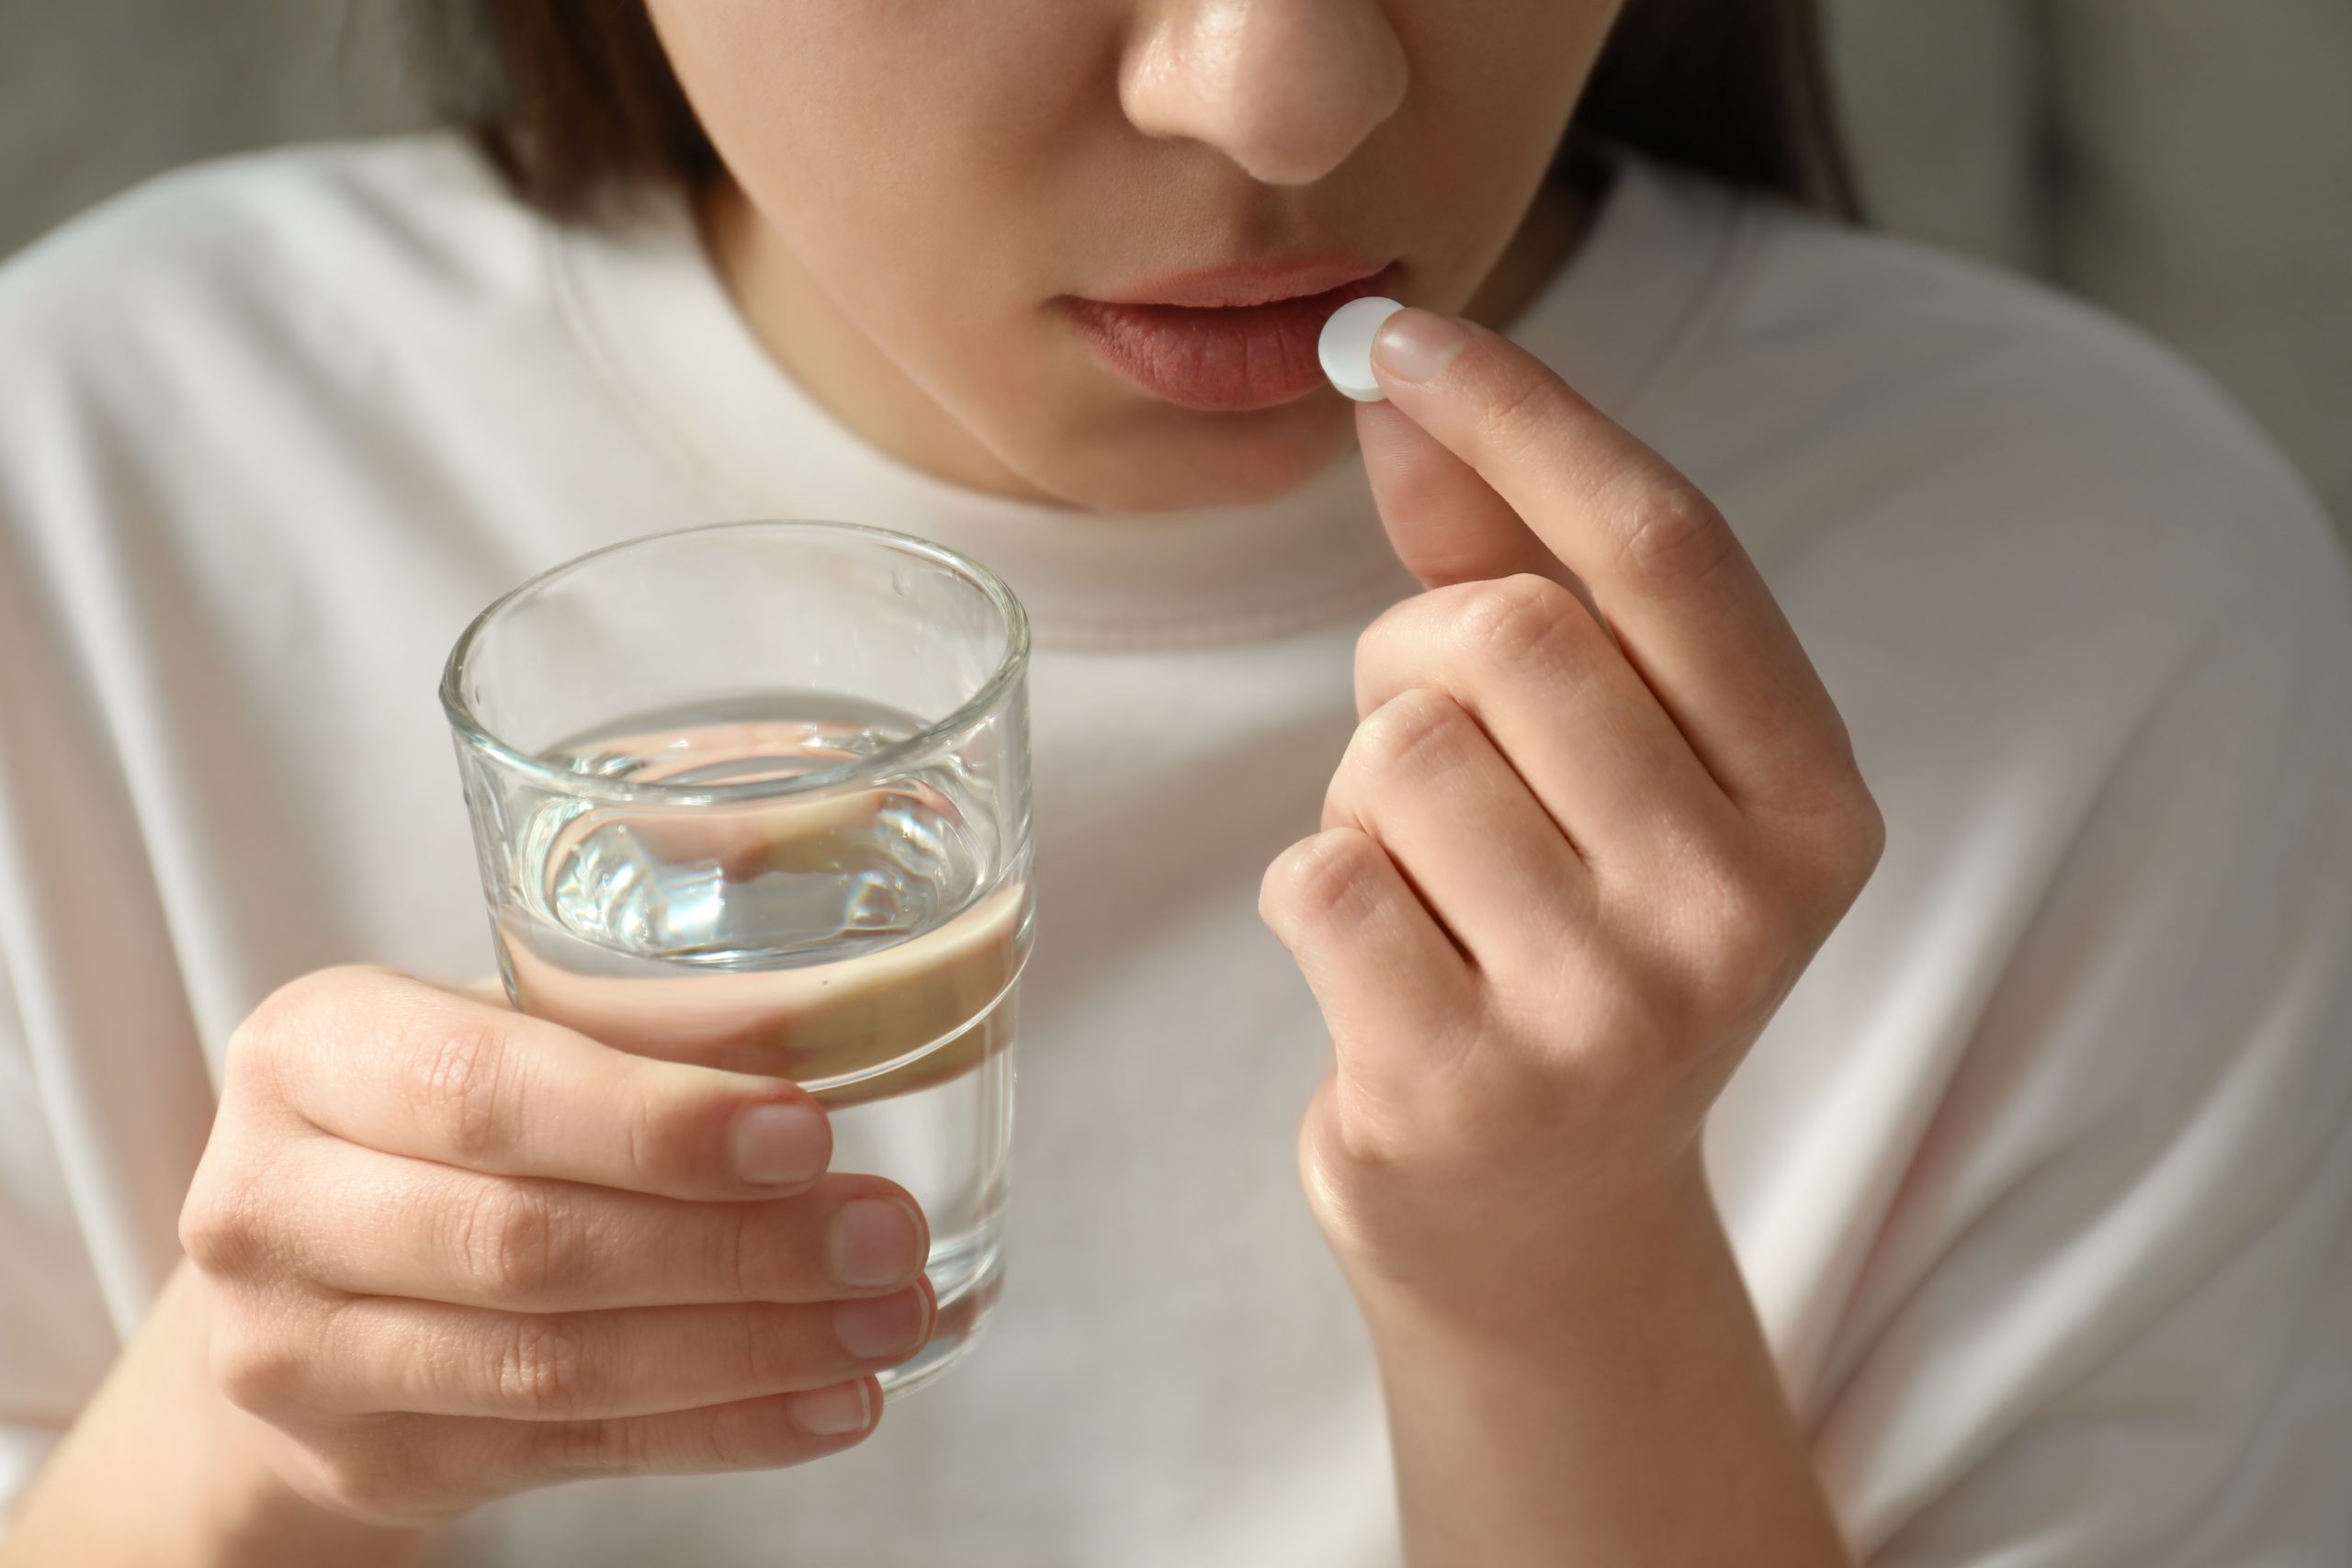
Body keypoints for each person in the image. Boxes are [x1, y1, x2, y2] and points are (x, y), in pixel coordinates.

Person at [1, 1, 2346, 1562]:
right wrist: (245, 1431)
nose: (1283, 96)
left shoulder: (2103, 593)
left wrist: (1557, 1264)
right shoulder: (97, 481)